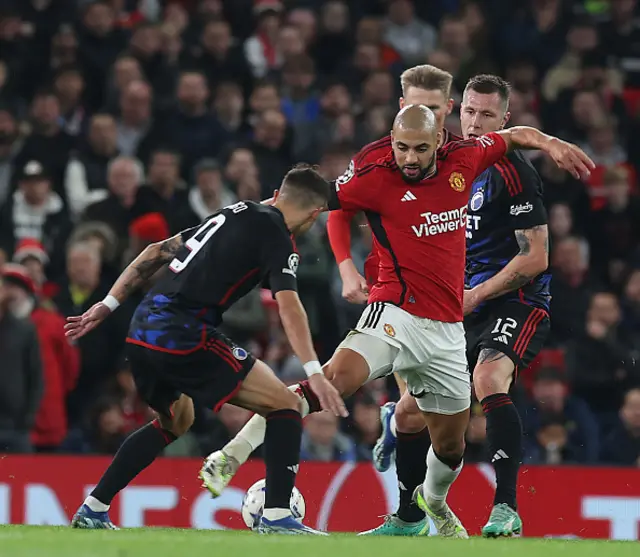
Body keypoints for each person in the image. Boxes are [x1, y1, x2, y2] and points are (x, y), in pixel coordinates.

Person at [199, 104, 593, 538]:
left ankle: (434, 506)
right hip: (394, 314)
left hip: (445, 331)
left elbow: (514, 136)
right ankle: (230, 455)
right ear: (392, 138)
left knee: (449, 446)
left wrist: (551, 142)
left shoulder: (465, 159)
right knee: (331, 380)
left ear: (440, 141)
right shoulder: (374, 176)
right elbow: (306, 198)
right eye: (402, 146)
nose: (409, 157)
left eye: (420, 149)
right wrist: (245, 220)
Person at [64, 165, 346, 534]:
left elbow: (157, 250)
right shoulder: (277, 235)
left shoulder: (234, 211)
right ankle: (278, 517)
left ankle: (93, 508)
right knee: (286, 404)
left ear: (277, 193)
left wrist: (108, 303)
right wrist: (313, 372)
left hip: (142, 326)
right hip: (182, 332)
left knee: (177, 420)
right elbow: (290, 306)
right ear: (314, 215)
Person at [368, 75, 553, 538]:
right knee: (409, 415)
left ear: (504, 121)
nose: (474, 124)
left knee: (489, 378)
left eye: (487, 115)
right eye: (469, 112)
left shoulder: (512, 170)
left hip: (515, 300)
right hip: (459, 307)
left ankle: (506, 508)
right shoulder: (441, 159)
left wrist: (476, 294)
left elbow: (536, 257)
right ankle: (409, 517)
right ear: (456, 111)